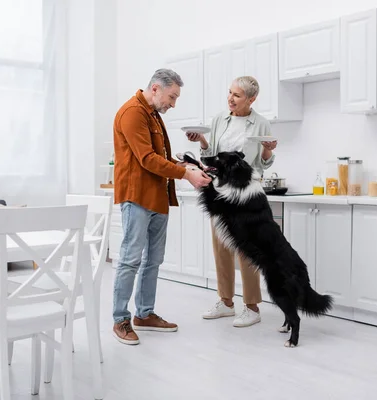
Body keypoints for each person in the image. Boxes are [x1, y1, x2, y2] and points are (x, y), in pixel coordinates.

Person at [112, 69, 212, 345]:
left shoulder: (154, 115)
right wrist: (186, 175)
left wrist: (187, 167)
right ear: (155, 89)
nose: (173, 103)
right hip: (137, 197)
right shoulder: (132, 112)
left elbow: (161, 158)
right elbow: (146, 159)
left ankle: (144, 314)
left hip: (157, 196)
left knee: (153, 260)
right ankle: (121, 319)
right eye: (172, 96)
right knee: (130, 259)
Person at [187, 76, 277, 328]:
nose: (230, 98)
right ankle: (226, 302)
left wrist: (268, 150)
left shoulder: (260, 123)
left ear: (251, 99)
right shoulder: (219, 120)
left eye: (237, 95)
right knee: (221, 246)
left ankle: (252, 307)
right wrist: (202, 142)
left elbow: (265, 162)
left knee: (247, 249)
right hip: (220, 190)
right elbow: (210, 157)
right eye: (229, 93)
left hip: (246, 193)